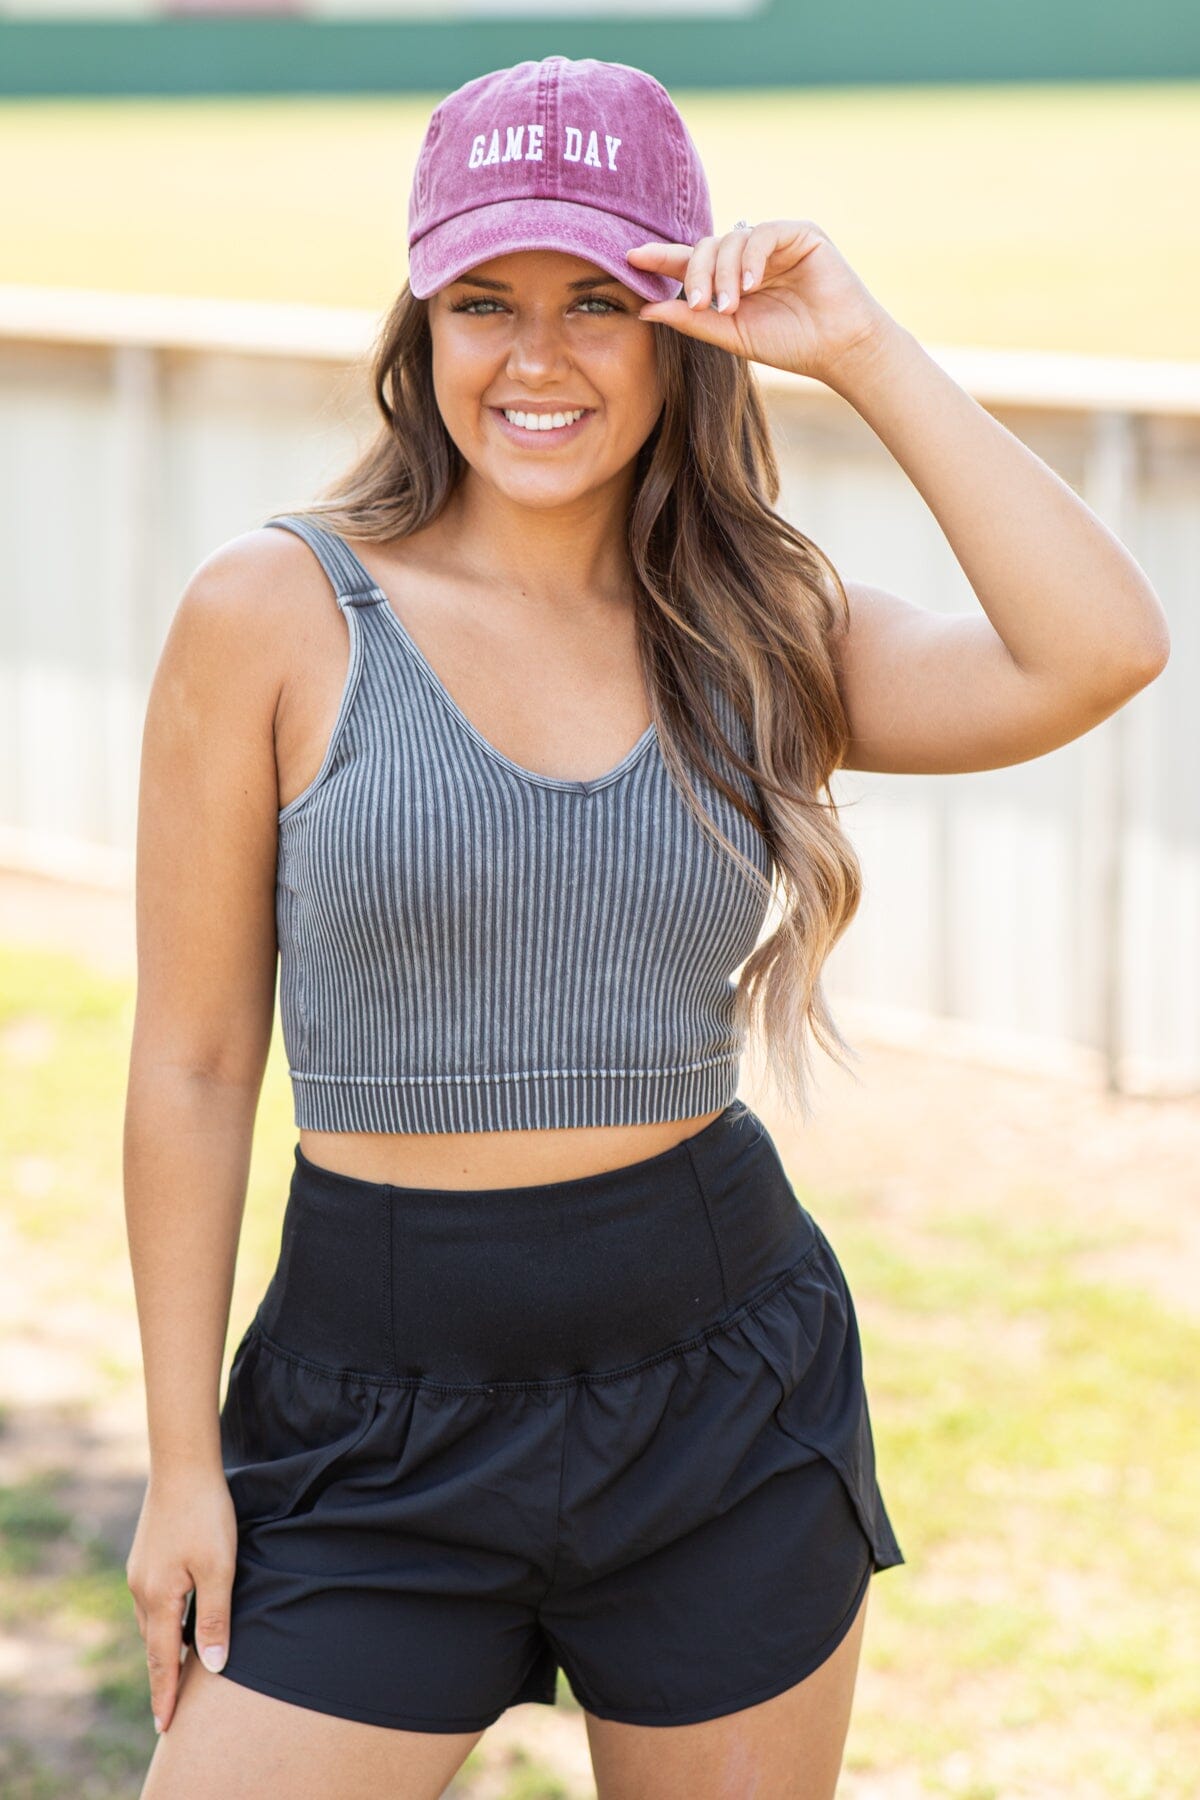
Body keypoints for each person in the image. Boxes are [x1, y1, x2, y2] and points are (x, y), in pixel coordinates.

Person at [123, 51, 1169, 1800]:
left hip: (719, 1403)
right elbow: (194, 1055)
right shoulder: (275, 610)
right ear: (422, 326)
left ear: (683, 326)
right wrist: (179, 1466)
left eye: (599, 301)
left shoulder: (758, 625)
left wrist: (858, 342)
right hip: (369, 1418)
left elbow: (1098, 647)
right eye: (485, 301)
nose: (536, 359)